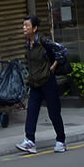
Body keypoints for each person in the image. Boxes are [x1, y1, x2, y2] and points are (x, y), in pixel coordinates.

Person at [15, 16, 67, 155]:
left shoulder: (43, 41)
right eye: (23, 25)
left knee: (53, 112)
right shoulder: (28, 43)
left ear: (35, 28)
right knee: (31, 111)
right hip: (35, 83)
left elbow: (62, 50)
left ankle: (61, 141)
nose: (24, 28)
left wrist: (53, 67)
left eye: (27, 25)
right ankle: (29, 141)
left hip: (47, 82)